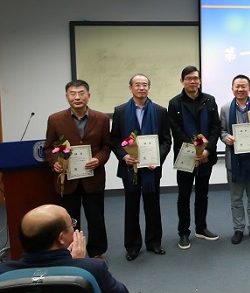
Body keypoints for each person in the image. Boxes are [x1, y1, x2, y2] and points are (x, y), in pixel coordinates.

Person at [0, 204, 129, 293]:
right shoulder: (92, 269)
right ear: (61, 238)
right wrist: (78, 266)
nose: (74, 228)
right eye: (72, 224)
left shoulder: (3, 274)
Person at [44, 80, 111, 259]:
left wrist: (98, 159)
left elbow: (106, 146)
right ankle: (69, 252)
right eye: (72, 94)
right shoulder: (55, 119)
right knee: (68, 220)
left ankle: (97, 252)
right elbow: (48, 148)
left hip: (93, 177)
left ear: (88, 96)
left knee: (96, 218)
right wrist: (54, 163)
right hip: (67, 179)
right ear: (67, 97)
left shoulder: (102, 119)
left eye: (81, 93)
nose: (77, 97)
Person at [111, 74, 172, 261]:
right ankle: (132, 246)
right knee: (131, 207)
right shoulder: (120, 111)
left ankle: (154, 242)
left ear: (149, 88)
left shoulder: (160, 111)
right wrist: (124, 156)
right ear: (131, 88)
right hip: (129, 168)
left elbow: (166, 141)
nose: (141, 88)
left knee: (153, 206)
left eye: (145, 85)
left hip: (152, 168)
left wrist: (157, 158)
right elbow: (114, 139)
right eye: (137, 85)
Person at [168, 66, 221, 250]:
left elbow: (215, 127)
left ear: (200, 81)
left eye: (195, 78)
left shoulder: (209, 100)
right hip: (185, 155)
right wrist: (194, 150)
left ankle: (201, 227)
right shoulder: (174, 103)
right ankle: (183, 232)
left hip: (206, 156)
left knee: (202, 193)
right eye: (189, 78)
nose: (193, 81)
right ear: (182, 81)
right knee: (183, 196)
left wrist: (207, 150)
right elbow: (176, 131)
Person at [220, 74, 250, 244]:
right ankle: (238, 228)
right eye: (237, 86)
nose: (240, 89)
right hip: (234, 159)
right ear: (232, 89)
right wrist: (226, 138)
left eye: (243, 86)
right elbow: (222, 131)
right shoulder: (225, 108)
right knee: (236, 198)